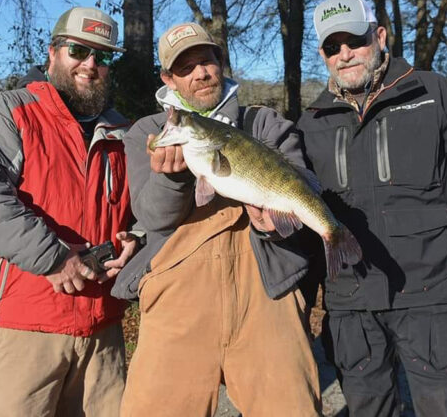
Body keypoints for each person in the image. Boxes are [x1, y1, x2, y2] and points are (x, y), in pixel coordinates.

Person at [297, 0, 447, 416]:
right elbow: (304, 214)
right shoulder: (311, 122)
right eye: (331, 47)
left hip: (435, 296)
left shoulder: (435, 94)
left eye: (355, 41)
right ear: (323, 55)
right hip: (352, 304)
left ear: (379, 36)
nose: (345, 55)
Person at [112, 22, 321, 416]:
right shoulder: (149, 132)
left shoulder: (265, 124)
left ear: (220, 64)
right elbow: (152, 216)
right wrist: (174, 180)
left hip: (266, 293)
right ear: (168, 79)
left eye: (206, 61)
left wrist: (271, 224)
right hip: (177, 301)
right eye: (185, 67)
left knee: (291, 407)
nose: (200, 74)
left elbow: (294, 188)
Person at [0, 7, 138, 416]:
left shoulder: (125, 133)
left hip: (102, 333)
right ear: (53, 52)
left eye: (103, 57)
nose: (90, 64)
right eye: (78, 50)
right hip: (24, 330)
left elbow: (140, 212)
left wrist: (134, 241)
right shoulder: (8, 113)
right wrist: (54, 258)